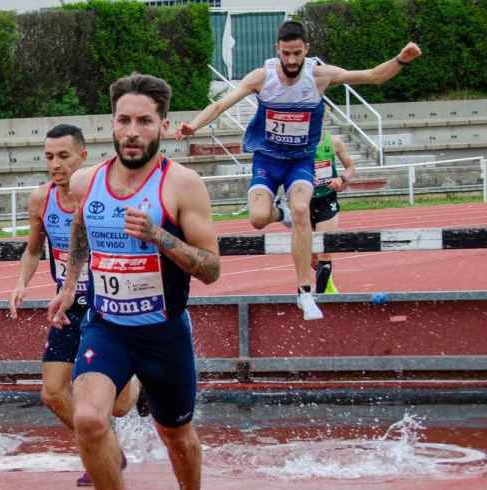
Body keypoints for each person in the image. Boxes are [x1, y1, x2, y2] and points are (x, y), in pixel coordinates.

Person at [48, 73, 220, 490]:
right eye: (124, 120)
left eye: (144, 121)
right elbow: (81, 229)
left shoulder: (182, 185)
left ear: (162, 125)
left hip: (164, 334)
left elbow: (211, 268)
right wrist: (69, 283)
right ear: (112, 125)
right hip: (108, 326)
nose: (132, 131)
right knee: (88, 419)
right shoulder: (87, 181)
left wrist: (160, 237)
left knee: (178, 438)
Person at [176, 19, 420, 320]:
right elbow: (220, 105)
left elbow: (372, 77)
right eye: (286, 54)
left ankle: (305, 293)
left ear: (306, 50)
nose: (291, 61)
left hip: (300, 161)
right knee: (257, 218)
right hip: (267, 160)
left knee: (303, 209)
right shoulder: (261, 78)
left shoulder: (318, 75)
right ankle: (283, 214)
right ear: (277, 49)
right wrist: (194, 126)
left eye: (297, 54)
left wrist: (401, 60)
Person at [8, 124, 141, 487]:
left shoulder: (101, 197)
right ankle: (105, 448)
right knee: (52, 392)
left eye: (64, 156)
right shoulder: (41, 200)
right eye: (49, 157)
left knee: (118, 406)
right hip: (67, 306)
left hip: (108, 305)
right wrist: (22, 282)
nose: (55, 164)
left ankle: (136, 381)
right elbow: (34, 249)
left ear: (83, 157)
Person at [311, 129, 356, 294]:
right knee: (311, 257)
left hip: (326, 199)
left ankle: (320, 296)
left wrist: (341, 179)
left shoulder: (334, 142)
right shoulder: (299, 143)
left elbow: (351, 167)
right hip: (303, 200)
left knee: (325, 251)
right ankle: (327, 280)